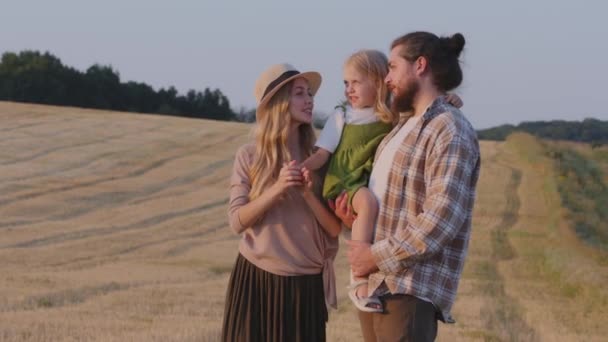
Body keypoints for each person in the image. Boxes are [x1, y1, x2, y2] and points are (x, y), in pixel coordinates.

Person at [335, 32, 481, 341]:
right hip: (378, 289)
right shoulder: (401, 127)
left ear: (420, 66)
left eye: (392, 67)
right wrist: (356, 223)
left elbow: (440, 220)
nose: (387, 78)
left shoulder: (449, 129)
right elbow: (393, 205)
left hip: (409, 290)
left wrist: (375, 256)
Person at [303, 50, 463, 313]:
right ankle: (358, 279)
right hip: (344, 182)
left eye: (356, 82)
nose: (349, 90)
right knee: (367, 204)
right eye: (345, 83)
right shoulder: (342, 116)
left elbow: (424, 110)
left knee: (371, 207)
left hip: (363, 184)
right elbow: (322, 154)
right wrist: (300, 168)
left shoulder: (390, 116)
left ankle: (373, 273)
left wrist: (447, 99)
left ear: (377, 83)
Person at [221, 63, 342, 342]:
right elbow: (236, 221)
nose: (309, 100)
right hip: (256, 282)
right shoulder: (249, 156)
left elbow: (334, 230)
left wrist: (307, 193)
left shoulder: (320, 158)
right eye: (300, 93)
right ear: (278, 103)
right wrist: (278, 188)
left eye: (309, 94)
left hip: (306, 287)